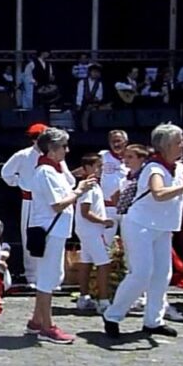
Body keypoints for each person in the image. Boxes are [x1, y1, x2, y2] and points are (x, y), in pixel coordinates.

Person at [103, 124, 183, 338]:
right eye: (179, 141)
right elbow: (159, 193)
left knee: (163, 275)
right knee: (141, 273)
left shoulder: (177, 168)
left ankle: (153, 320)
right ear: (167, 145)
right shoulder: (154, 168)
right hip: (140, 225)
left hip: (163, 226)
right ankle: (112, 315)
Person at [25, 128, 97, 344]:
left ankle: (36, 321)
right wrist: (80, 190)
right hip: (49, 230)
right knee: (48, 279)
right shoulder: (45, 172)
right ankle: (47, 326)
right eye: (63, 146)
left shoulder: (54, 171)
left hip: (55, 230)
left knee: (52, 276)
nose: (67, 150)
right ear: (52, 149)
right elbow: (57, 204)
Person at [0, 123, 76, 287]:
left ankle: (55, 278)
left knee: (56, 241)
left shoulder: (56, 159)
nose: (36, 140)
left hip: (56, 201)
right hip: (31, 200)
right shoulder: (23, 155)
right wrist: (21, 183)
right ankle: (32, 276)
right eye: (34, 137)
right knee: (33, 238)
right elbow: (6, 173)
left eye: (39, 137)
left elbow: (70, 180)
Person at [73, 153, 116, 314]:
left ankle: (84, 298)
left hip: (86, 230)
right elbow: (86, 212)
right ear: (87, 168)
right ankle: (103, 301)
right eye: (97, 166)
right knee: (103, 264)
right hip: (92, 230)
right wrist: (104, 221)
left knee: (86, 261)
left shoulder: (92, 185)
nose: (100, 170)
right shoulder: (89, 187)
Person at [100, 130, 129, 227]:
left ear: (125, 142)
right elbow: (88, 168)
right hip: (108, 207)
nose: (116, 144)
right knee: (106, 240)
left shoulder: (133, 157)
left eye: (118, 141)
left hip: (128, 208)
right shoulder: (103, 156)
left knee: (130, 240)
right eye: (113, 142)